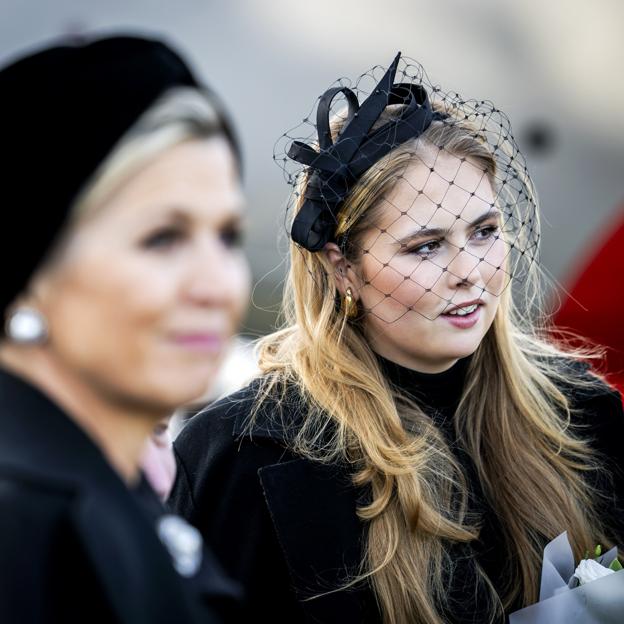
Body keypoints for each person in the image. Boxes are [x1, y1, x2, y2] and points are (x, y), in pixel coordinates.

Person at [169, 53, 624, 624]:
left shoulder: (581, 413)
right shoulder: (249, 457)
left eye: (484, 232)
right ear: (343, 268)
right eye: (425, 246)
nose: (469, 271)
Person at [0, 34, 250, 623]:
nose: (216, 285)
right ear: (32, 266)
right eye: (162, 238)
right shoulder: (23, 527)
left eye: (228, 236)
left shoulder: (97, 490)